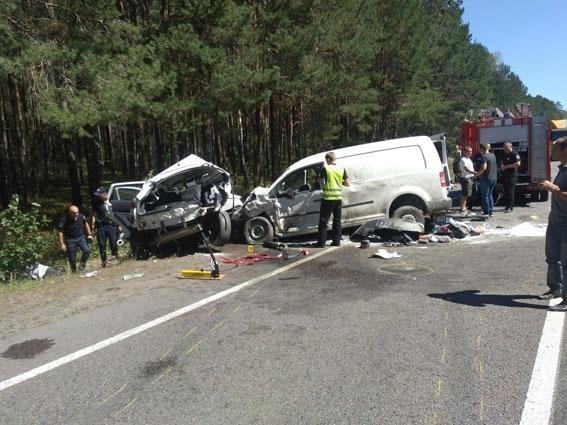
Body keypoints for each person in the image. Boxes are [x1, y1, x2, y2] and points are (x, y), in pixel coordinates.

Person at [539, 136, 567, 310]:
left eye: (555, 149)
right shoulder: (562, 169)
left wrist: (553, 188)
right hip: (555, 221)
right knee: (552, 257)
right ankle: (555, 289)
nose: (552, 152)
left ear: (565, 150)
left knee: (566, 263)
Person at [313, 152, 351, 247]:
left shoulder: (326, 168)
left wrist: (319, 179)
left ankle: (321, 243)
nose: (326, 162)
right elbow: (347, 183)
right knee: (337, 220)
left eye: (326, 160)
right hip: (338, 198)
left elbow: (319, 180)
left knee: (323, 220)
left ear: (329, 159)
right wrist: (339, 182)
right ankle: (336, 241)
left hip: (328, 198)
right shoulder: (341, 169)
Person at [57, 205, 92, 272]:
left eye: (77, 212)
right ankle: (74, 270)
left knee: (87, 251)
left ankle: (81, 267)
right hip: (70, 240)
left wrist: (89, 234)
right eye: (74, 213)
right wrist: (62, 244)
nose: (76, 214)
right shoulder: (64, 219)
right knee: (72, 258)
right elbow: (60, 232)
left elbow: (86, 223)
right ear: (69, 213)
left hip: (81, 237)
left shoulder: (81, 216)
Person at [91, 187, 119, 268]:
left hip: (112, 225)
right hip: (101, 226)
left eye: (99, 195)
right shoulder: (97, 203)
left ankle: (115, 256)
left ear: (105, 194)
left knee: (114, 242)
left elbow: (118, 213)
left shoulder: (113, 201)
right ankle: (104, 261)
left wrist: (120, 224)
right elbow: (94, 215)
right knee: (102, 244)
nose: (98, 196)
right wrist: (93, 227)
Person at [500, 141, 521, 213]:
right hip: (505, 175)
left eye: (506, 147)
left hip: (512, 175)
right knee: (506, 191)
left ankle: (510, 207)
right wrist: (501, 165)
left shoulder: (515, 154)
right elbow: (501, 161)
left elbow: (518, 164)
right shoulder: (504, 154)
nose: (504, 149)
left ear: (510, 147)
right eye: (504, 147)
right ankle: (506, 206)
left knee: (510, 191)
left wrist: (507, 166)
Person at [478, 143, 497, 217]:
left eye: (480, 149)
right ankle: (491, 211)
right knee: (490, 194)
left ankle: (486, 212)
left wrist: (477, 174)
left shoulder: (484, 156)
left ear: (482, 149)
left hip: (486, 179)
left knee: (485, 196)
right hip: (494, 178)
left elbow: (484, 168)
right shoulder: (493, 155)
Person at [458, 146, 475, 214]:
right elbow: (466, 168)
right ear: (465, 152)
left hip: (470, 178)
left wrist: (473, 175)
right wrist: (474, 173)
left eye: (471, 151)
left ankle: (464, 207)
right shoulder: (463, 160)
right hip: (465, 179)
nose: (470, 152)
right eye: (469, 151)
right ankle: (462, 208)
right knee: (464, 194)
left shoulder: (469, 159)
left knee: (467, 194)